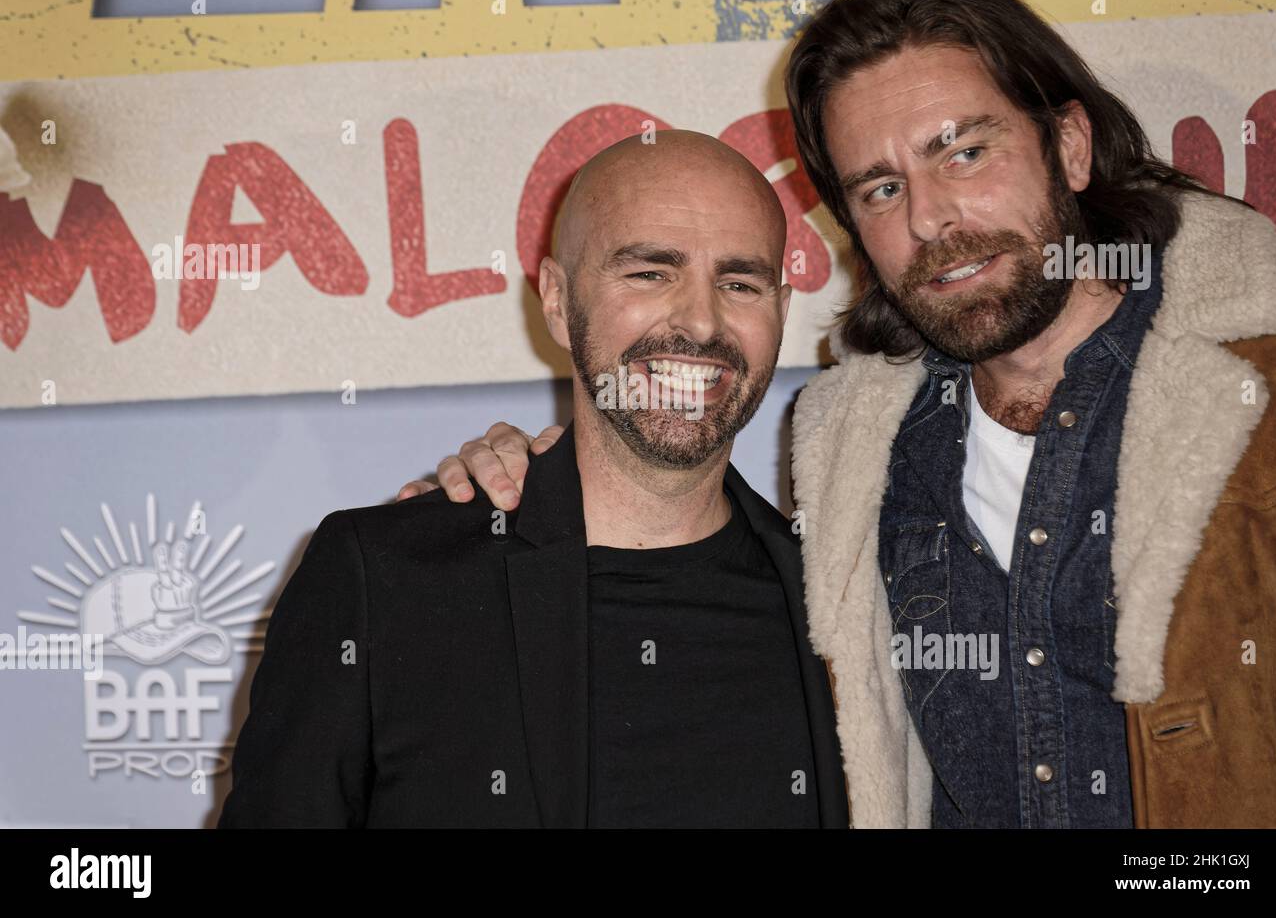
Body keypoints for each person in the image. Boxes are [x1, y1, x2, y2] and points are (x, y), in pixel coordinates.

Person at [403, 0, 1276, 827]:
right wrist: (516, 498)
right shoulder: (856, 452)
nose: (929, 219)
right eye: (881, 187)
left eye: (965, 151)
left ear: (1068, 146)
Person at [219, 130, 850, 828]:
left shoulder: (843, 604)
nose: (701, 321)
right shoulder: (385, 580)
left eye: (739, 283)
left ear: (782, 312)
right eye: (649, 273)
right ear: (556, 298)